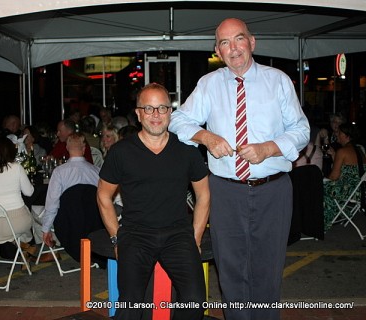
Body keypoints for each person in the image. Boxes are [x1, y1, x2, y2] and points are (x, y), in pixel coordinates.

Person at [168, 18, 309, 320]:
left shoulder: (278, 80)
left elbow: (301, 130)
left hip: (273, 188)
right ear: (217, 50)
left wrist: (268, 148)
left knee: (268, 270)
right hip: (225, 191)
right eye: (224, 42)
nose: (233, 48)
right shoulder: (209, 84)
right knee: (230, 270)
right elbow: (178, 120)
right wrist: (205, 137)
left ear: (252, 42)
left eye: (239, 39)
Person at [97, 83, 210, 320]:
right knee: (130, 307)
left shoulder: (187, 151)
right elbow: (103, 196)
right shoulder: (121, 152)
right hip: (136, 235)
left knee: (195, 301)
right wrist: (116, 237)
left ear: (171, 112)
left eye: (161, 108)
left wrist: (195, 237)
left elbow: (204, 195)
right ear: (138, 113)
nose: (156, 115)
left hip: (178, 235)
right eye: (148, 108)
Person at [0, 137, 38, 258]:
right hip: (20, 222)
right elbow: (29, 192)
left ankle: (19, 245)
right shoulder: (16, 168)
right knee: (28, 213)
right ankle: (23, 245)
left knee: (3, 224)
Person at [41, 132, 100, 248]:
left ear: (67, 148)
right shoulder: (97, 171)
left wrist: (45, 229)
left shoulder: (59, 172)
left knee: (38, 211)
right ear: (84, 149)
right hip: (93, 223)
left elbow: (52, 204)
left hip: (68, 224)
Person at [323, 123, 366, 230]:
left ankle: (325, 221)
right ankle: (341, 213)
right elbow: (348, 172)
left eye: (339, 133)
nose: (337, 134)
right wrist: (334, 155)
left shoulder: (342, 152)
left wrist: (322, 179)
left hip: (349, 191)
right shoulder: (360, 150)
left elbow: (334, 176)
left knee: (320, 187)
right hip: (361, 190)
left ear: (347, 136)